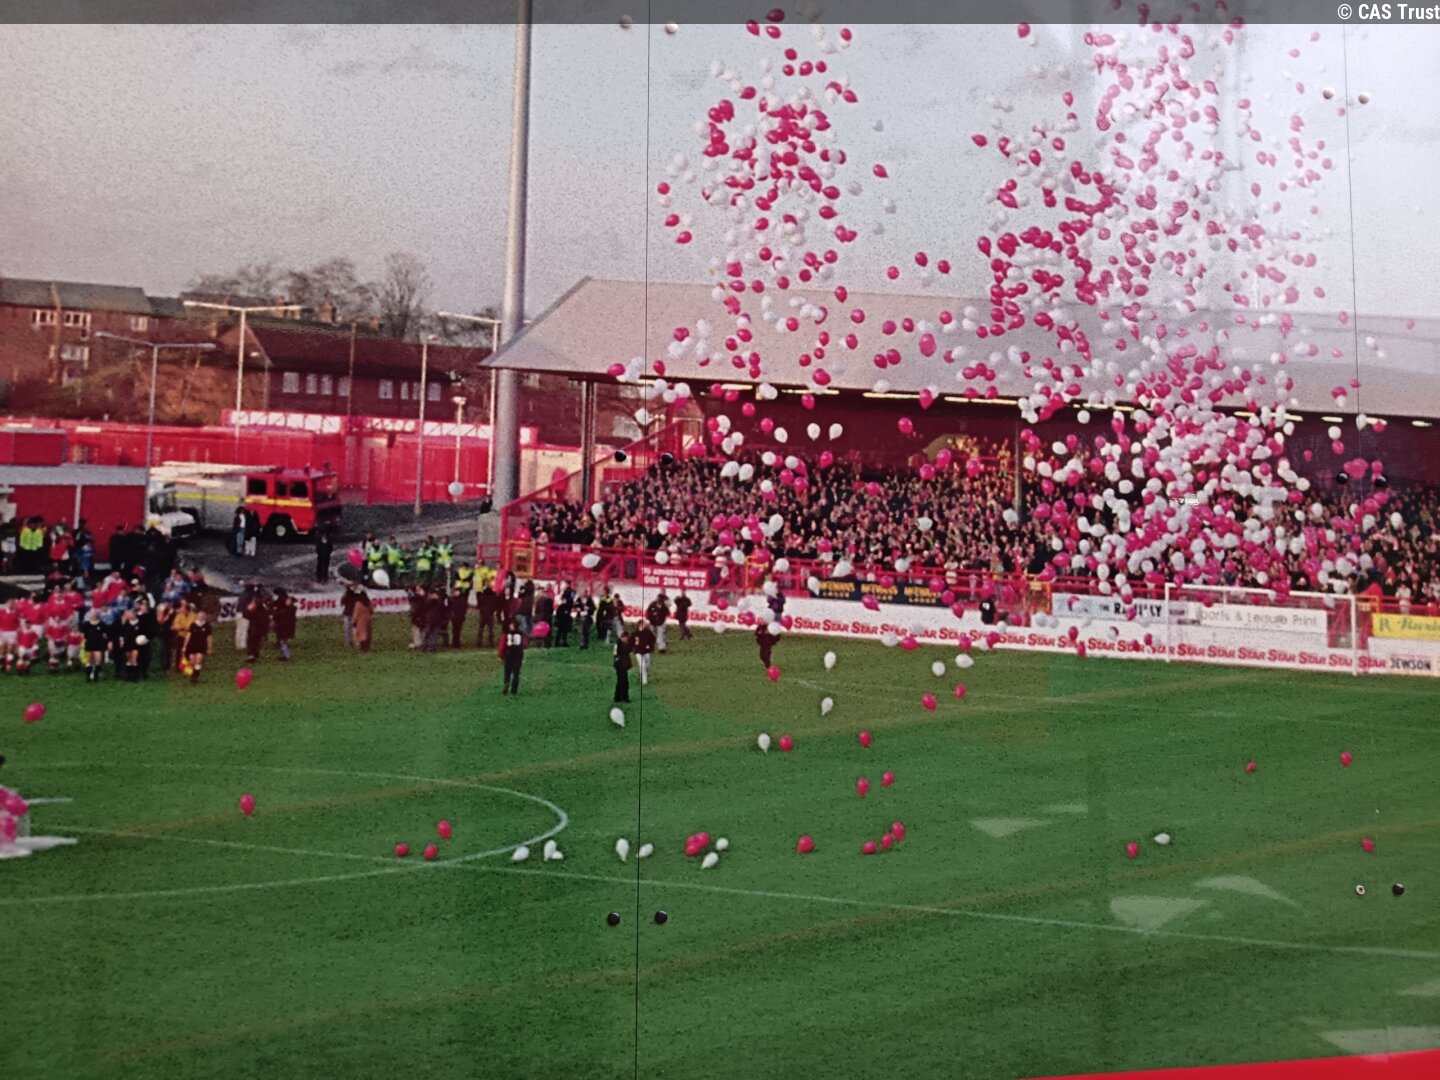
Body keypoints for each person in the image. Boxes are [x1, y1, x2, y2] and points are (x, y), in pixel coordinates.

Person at [180, 610, 212, 683]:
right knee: (192, 661)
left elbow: (209, 637)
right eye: (199, 616)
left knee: (198, 660)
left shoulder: (207, 626)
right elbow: (188, 636)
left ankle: (195, 676)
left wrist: (209, 647)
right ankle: (193, 674)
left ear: (205, 617)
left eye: (202, 616)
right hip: (192, 645)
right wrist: (184, 646)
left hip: (201, 646)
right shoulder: (193, 625)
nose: (200, 618)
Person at [81, 608, 110, 682]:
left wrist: (105, 640)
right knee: (89, 660)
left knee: (98, 660)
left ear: (97, 615)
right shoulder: (86, 624)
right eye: (92, 613)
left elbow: (106, 634)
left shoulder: (102, 624)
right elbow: (83, 635)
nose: (93, 615)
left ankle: (95, 677)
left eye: (95, 613)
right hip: (89, 644)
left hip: (98, 644)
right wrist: (83, 642)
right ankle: (88, 677)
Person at [243, 587, 271, 664]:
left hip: (255, 627)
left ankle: (252, 655)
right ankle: (255, 655)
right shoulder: (264, 608)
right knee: (256, 642)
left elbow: (246, 615)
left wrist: (249, 609)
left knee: (252, 642)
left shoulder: (256, 608)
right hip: (260, 628)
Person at [500, 616, 526, 695]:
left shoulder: (506, 634)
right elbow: (524, 644)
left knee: (507, 671)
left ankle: (506, 682)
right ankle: (514, 689)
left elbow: (502, 645)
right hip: (518, 654)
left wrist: (501, 655)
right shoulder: (521, 634)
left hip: (509, 653)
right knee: (516, 672)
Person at [272, 588, 297, 661]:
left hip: (283, 625)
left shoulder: (286, 609)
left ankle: (286, 655)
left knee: (282, 641)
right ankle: (283, 655)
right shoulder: (291, 608)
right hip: (286, 625)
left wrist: (274, 613)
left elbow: (279, 613)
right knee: (283, 640)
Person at [475, 583, 500, 649]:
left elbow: (479, 605)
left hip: (484, 614)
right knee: (489, 629)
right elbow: (496, 605)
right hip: (488, 614)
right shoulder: (494, 596)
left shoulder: (482, 595)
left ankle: (479, 642)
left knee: (482, 629)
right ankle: (490, 643)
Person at [633, 619, 656, 687]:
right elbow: (631, 641)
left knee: (647, 665)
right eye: (643, 624)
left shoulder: (648, 632)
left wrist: (650, 646)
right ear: (640, 625)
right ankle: (644, 681)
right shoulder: (635, 633)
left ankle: (643, 674)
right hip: (638, 651)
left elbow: (653, 639)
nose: (645, 625)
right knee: (642, 665)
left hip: (646, 651)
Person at [613, 626, 633, 703]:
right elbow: (616, 654)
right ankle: (621, 697)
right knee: (622, 681)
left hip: (624, 664)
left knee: (623, 681)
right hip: (620, 665)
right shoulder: (618, 644)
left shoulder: (627, 643)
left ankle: (620, 697)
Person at [352, 587, 374, 653]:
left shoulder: (358, 604)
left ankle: (362, 648)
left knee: (360, 634)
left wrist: (353, 621)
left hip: (360, 620)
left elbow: (356, 614)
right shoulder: (368, 602)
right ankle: (367, 647)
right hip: (367, 619)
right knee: (367, 633)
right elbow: (372, 611)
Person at [340, 582, 360, 648]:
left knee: (355, 629)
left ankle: (357, 642)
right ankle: (348, 642)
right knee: (347, 629)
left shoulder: (357, 594)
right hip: (347, 613)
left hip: (354, 613)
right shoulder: (347, 594)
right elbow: (342, 602)